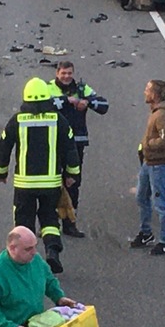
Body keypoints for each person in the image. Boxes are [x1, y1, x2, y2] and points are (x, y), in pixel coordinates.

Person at [0, 78, 80, 275]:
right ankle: (52, 252)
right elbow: (70, 149)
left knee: (24, 221)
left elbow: (4, 148)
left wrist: (1, 172)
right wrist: (71, 174)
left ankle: (25, 264)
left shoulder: (17, 121)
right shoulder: (58, 120)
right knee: (50, 218)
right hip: (50, 183)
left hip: (25, 184)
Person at [49, 61, 108, 238]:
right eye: (63, 73)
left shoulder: (82, 88)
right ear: (57, 73)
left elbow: (104, 106)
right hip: (54, 143)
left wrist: (87, 102)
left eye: (69, 73)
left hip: (76, 144)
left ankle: (70, 223)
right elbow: (42, 105)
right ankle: (50, 223)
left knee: (73, 183)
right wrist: (66, 100)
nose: (67, 76)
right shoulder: (48, 87)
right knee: (50, 184)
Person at [130, 79, 165, 255]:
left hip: (159, 164)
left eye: (147, 89)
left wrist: (149, 144)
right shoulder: (157, 112)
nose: (145, 92)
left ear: (155, 94)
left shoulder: (162, 116)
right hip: (149, 162)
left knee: (160, 203)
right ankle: (146, 233)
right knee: (141, 196)